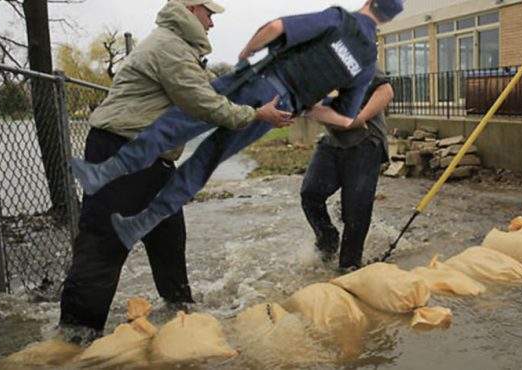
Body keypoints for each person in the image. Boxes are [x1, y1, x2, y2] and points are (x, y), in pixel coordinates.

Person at [69, 0, 404, 251]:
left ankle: (104, 173)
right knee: (205, 162)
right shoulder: (367, 60)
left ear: (370, 2)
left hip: (260, 81)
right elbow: (345, 117)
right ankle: (138, 225)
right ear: (389, 18)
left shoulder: (340, 19)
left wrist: (247, 52)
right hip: (283, 106)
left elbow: (276, 27)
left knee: (179, 122)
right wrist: (309, 109)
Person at [59, 0, 291, 342]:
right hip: (122, 152)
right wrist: (255, 116)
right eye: (209, 14)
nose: (212, 24)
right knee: (104, 245)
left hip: (154, 162)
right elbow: (203, 102)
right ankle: (74, 341)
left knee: (169, 241)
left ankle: (179, 318)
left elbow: (217, 88)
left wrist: (269, 85)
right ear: (190, 8)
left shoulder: (182, 50)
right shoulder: (168, 46)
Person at [301, 69, 394, 272]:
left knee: (355, 209)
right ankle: (328, 239)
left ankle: (349, 267)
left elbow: (385, 91)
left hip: (366, 140)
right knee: (310, 193)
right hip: (334, 140)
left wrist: (359, 119)